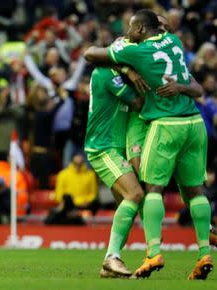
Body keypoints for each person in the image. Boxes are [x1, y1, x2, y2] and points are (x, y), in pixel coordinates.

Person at [85, 9, 213, 280]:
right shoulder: (170, 45)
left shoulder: (140, 51)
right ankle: (116, 257)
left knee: (144, 193)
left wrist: (136, 68)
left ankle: (142, 253)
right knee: (147, 193)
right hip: (108, 144)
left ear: (142, 31)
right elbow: (143, 99)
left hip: (160, 127)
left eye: (133, 29)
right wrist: (128, 70)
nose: (130, 34)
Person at [84, 64, 144, 278]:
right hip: (103, 147)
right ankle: (111, 258)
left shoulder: (121, 75)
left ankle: (110, 262)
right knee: (135, 194)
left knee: (126, 208)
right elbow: (138, 102)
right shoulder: (105, 73)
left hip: (117, 148)